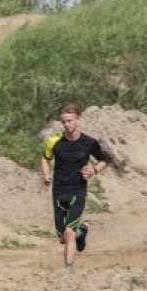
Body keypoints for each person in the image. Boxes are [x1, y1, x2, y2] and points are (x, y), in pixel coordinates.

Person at [40, 101, 108, 268]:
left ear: (78, 119)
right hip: (58, 191)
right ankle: (81, 232)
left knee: (69, 232)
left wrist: (93, 171)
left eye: (70, 121)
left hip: (77, 191)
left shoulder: (89, 142)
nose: (67, 124)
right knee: (62, 237)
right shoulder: (54, 142)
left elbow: (104, 160)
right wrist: (46, 174)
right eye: (63, 121)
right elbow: (45, 159)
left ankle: (68, 269)